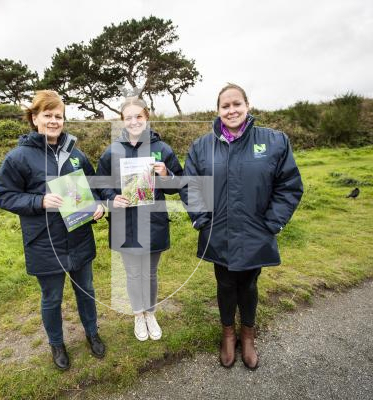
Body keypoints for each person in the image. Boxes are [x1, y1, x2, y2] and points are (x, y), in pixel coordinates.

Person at [181, 83, 303, 369]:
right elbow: (190, 185)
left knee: (248, 284)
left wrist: (273, 222)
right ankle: (227, 335)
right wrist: (200, 218)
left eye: (237, 104)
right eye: (226, 106)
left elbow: (289, 186)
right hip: (218, 232)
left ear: (248, 106)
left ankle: (247, 335)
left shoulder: (274, 141)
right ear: (218, 111)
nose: (231, 110)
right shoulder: (201, 146)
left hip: (254, 234)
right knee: (224, 284)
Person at [0, 90, 106, 371]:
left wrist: (98, 206)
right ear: (34, 118)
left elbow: (93, 188)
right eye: (48, 115)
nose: (54, 121)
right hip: (43, 242)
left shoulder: (76, 155)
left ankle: (92, 333)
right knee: (52, 297)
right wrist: (38, 200)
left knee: (86, 290)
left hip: (78, 236)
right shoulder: (18, 157)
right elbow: (1, 194)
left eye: (59, 116)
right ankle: (57, 343)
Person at [97, 97, 183, 341]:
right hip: (125, 222)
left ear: (147, 118)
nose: (134, 121)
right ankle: (138, 315)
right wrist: (111, 198)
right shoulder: (111, 151)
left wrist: (165, 173)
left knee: (150, 274)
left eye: (139, 117)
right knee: (133, 273)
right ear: (122, 121)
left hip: (153, 222)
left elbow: (177, 185)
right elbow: (100, 184)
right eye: (128, 117)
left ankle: (151, 313)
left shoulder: (162, 149)